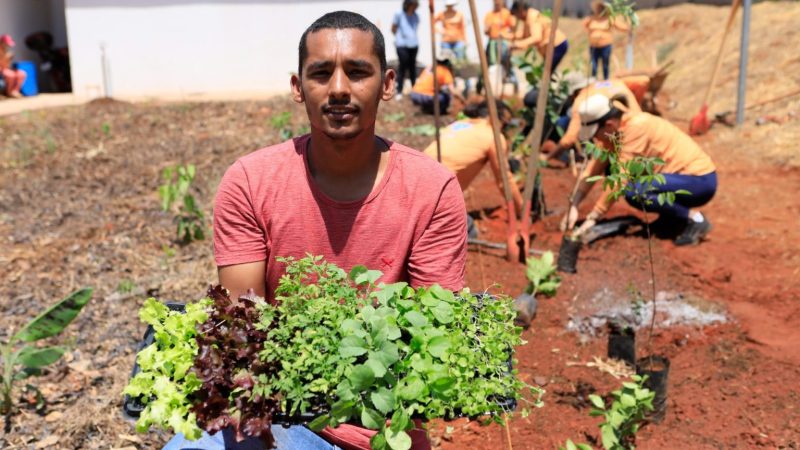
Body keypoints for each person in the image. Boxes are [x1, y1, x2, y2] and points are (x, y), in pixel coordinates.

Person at [163, 10, 466, 450]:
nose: (339, 89)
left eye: (358, 72)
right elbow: (245, 325)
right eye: (321, 73)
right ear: (297, 88)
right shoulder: (251, 181)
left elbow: (433, 336)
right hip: (278, 414)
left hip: (378, 431)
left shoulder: (432, 189)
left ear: (387, 84)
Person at [563, 94, 717, 246]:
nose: (595, 139)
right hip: (678, 179)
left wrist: (593, 217)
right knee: (627, 179)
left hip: (700, 181)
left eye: (595, 134)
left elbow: (620, 179)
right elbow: (592, 170)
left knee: (634, 191)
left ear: (608, 124)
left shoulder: (635, 128)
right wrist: (574, 205)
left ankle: (695, 218)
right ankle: (671, 219)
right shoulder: (615, 131)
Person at [422, 98, 524, 234]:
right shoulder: (493, 137)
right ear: (499, 118)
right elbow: (504, 180)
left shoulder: (460, 124)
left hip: (412, 179)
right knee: (468, 230)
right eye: (506, 124)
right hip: (431, 194)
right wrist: (521, 211)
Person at [541, 76, 642, 164]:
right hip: (640, 121)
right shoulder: (614, 81)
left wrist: (548, 157)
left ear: (575, 92)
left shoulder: (581, 100)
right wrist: (637, 103)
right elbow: (643, 81)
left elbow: (569, 139)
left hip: (628, 134)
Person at [509, 1, 569, 72]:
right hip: (549, 48)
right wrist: (509, 36)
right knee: (547, 74)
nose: (517, 18)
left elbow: (536, 37)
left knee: (545, 73)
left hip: (557, 45)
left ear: (520, 10)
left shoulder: (533, 17)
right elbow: (524, 35)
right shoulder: (527, 18)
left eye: (516, 15)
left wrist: (518, 44)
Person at [582, 0, 631, 80]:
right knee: (593, 66)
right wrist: (592, 34)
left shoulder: (609, 19)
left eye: (601, 8)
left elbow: (621, 27)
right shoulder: (591, 19)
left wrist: (629, 27)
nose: (599, 10)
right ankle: (593, 81)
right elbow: (584, 25)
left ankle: (606, 81)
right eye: (598, 8)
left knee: (605, 65)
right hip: (594, 46)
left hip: (605, 46)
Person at [410, 50, 464, 114]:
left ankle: (426, 108)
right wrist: (463, 100)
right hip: (426, 97)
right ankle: (438, 111)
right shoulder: (445, 71)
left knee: (440, 92)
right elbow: (453, 91)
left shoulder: (430, 67)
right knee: (446, 96)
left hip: (414, 94)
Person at [392, 0, 420, 100]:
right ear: (407, 4)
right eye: (412, 5)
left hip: (414, 45)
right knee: (402, 67)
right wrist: (400, 38)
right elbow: (393, 28)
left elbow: (414, 29)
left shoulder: (416, 16)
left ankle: (415, 90)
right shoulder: (399, 14)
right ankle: (399, 90)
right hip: (402, 45)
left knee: (412, 68)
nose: (413, 7)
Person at [0, 34, 27, 98]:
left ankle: (15, 91)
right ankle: (9, 92)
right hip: (1, 70)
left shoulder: (7, 51)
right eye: (6, 44)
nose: (8, 46)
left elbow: (7, 65)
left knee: (21, 74)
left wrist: (8, 59)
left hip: (6, 69)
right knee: (10, 75)